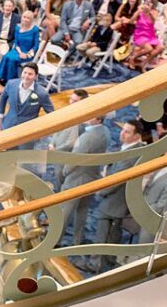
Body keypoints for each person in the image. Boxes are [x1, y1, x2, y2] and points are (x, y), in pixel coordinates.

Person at [90, 118, 146, 274]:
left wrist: (100, 191)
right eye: (123, 129)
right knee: (113, 232)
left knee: (102, 233)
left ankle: (95, 264)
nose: (122, 133)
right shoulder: (136, 149)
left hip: (113, 200)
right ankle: (109, 259)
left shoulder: (129, 156)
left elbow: (115, 181)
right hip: (121, 201)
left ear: (136, 136)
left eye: (127, 132)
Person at [58, 113, 108, 246]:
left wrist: (64, 171)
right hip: (92, 178)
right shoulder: (105, 131)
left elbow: (76, 159)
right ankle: (77, 240)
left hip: (76, 179)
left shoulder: (88, 137)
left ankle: (54, 240)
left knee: (65, 213)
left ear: (98, 119)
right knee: (82, 211)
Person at [0, 63, 54, 134]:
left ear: (36, 76)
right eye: (25, 72)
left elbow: (51, 113)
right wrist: (0, 117)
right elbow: (3, 97)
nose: (26, 76)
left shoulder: (42, 93)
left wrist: (40, 128)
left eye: (30, 74)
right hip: (7, 126)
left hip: (27, 132)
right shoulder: (11, 84)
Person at [0, 10, 40, 83]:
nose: (25, 19)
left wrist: (27, 54)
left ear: (31, 20)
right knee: (6, 56)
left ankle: (11, 80)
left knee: (13, 60)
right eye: (24, 17)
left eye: (28, 18)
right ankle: (0, 77)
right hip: (18, 50)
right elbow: (16, 43)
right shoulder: (17, 28)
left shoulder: (35, 29)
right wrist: (20, 53)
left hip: (28, 53)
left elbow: (36, 46)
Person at [127, 0, 162, 71]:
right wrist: (139, 11)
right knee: (149, 49)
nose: (147, 5)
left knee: (161, 47)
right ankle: (132, 58)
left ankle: (143, 63)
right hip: (140, 35)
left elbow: (154, 21)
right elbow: (131, 21)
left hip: (150, 35)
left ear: (151, 5)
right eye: (146, 3)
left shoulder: (153, 12)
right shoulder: (139, 12)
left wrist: (149, 12)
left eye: (149, 3)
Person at [50, 88, 88, 153]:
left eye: (75, 101)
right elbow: (57, 130)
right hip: (54, 147)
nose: (71, 102)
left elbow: (71, 144)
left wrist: (55, 151)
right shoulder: (66, 112)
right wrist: (51, 143)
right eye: (71, 99)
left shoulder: (81, 122)